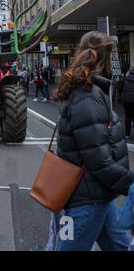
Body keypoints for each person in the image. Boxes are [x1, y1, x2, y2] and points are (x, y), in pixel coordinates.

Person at [52, 31, 134, 251]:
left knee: (121, 247)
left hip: (98, 196)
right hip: (86, 201)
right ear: (105, 58)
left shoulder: (87, 91)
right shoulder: (88, 96)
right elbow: (98, 160)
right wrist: (130, 183)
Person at [118, 66, 134, 139]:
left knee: (128, 116)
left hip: (126, 100)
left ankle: (127, 134)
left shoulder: (124, 79)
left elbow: (119, 89)